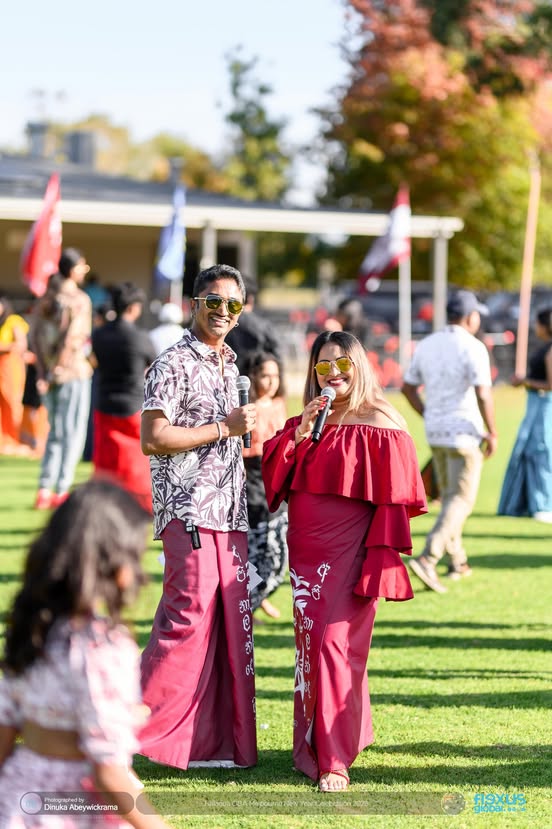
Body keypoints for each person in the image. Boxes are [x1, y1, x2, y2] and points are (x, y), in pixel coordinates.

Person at [262, 331, 426, 791]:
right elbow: (276, 478)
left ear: (360, 366)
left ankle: (334, 759)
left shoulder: (384, 422)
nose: (333, 373)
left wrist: (378, 560)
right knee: (311, 649)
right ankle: (317, 740)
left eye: (342, 364)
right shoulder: (308, 419)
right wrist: (297, 434)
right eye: (323, 366)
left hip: (351, 553)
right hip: (306, 552)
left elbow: (396, 502)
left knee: (337, 647)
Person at [139, 263, 258, 771]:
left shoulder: (232, 365)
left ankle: (207, 743)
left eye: (233, 304)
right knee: (186, 620)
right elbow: (153, 437)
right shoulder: (170, 363)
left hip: (229, 513)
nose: (223, 312)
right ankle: (124, 728)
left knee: (226, 626)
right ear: (194, 303)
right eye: (214, 301)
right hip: (187, 511)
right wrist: (222, 427)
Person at [0, 479, 170, 829]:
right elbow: (108, 773)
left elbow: (5, 728)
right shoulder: (103, 649)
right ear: (116, 566)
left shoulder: (34, 627)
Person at [401, 289, 498, 593]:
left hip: (436, 432)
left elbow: (408, 387)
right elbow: (483, 393)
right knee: (461, 499)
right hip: (465, 433)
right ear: (471, 317)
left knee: (449, 499)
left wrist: (429, 414)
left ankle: (458, 560)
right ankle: (429, 557)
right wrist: (492, 431)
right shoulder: (474, 346)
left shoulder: (428, 344)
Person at [31, 250, 93, 510]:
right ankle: (62, 490)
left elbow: (33, 336)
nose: (85, 269)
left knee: (55, 432)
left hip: (48, 374)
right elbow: (73, 339)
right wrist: (57, 369)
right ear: (72, 269)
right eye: (82, 265)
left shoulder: (46, 297)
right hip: (72, 373)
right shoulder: (78, 299)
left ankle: (44, 488)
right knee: (72, 433)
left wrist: (43, 372)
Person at [91, 283, 156, 512]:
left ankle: (102, 506)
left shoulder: (98, 334)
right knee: (136, 464)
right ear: (134, 307)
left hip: (104, 402)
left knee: (106, 463)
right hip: (133, 404)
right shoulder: (140, 338)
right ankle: (140, 508)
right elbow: (153, 365)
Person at [242, 350, 288, 621]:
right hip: (253, 481)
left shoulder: (279, 404)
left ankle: (257, 598)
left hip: (275, 479)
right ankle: (249, 601)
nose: (270, 381)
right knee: (253, 549)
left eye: (274, 375)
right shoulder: (247, 408)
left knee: (276, 548)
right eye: (264, 375)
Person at [498, 307, 552, 522]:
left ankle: (544, 503)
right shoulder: (544, 347)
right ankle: (526, 502)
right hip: (534, 405)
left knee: (542, 451)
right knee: (529, 451)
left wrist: (525, 381)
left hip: (544, 406)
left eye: (537, 323)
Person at [224, 273, 282, 373]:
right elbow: (277, 358)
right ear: (251, 299)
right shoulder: (264, 327)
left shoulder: (221, 324)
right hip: (257, 380)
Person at [0, 296, 29, 455]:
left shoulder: (13, 321)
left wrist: (4, 347)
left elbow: (20, 345)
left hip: (9, 366)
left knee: (12, 402)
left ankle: (14, 439)